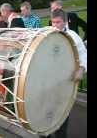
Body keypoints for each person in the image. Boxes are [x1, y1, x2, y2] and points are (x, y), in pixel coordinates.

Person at [40, 9, 87, 138]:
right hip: (47, 81)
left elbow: (83, 54)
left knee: (62, 113)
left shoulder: (73, 36)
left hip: (65, 82)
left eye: (58, 22)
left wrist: (81, 69)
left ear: (65, 22)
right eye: (53, 22)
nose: (55, 25)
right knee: (45, 113)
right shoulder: (45, 33)